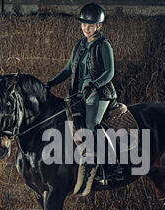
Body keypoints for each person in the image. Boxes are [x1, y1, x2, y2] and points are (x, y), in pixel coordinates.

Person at [46, 3, 118, 190]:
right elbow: (69, 68)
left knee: (91, 125)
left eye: (91, 24)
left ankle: (108, 167)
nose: (86, 28)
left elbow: (109, 72)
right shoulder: (79, 45)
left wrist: (94, 84)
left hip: (99, 93)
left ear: (99, 26)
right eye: (84, 24)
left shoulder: (104, 45)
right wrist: (52, 82)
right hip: (79, 93)